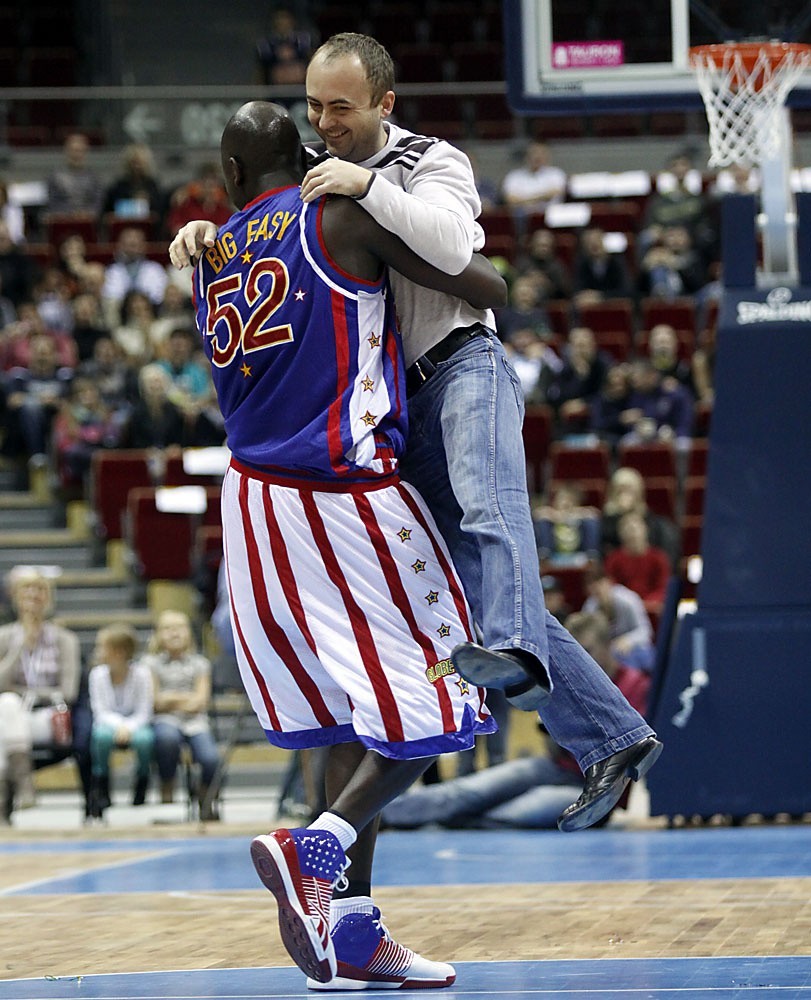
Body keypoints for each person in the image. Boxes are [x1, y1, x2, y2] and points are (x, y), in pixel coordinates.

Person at [169, 32, 660, 848]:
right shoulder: (317, 199)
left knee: (488, 511)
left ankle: (509, 661)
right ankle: (610, 735)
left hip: (462, 363)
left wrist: (365, 186)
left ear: (382, 106)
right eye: (315, 109)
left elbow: (472, 266)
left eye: (341, 109)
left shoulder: (432, 161)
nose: (326, 124)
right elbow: (276, 237)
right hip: (397, 408)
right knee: (467, 581)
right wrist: (208, 231)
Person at [193, 100, 506, 989]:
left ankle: (353, 933)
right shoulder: (336, 215)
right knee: (447, 693)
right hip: (342, 494)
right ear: (305, 158)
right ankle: (317, 848)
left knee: (343, 720)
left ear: (227, 179)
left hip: (251, 506)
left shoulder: (208, 252)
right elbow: (479, 283)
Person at [382, 610, 651, 830]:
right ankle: (374, 816)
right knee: (466, 791)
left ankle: (442, 820)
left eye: (589, 651)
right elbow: (554, 747)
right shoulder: (569, 683)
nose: (585, 661)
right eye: (579, 654)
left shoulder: (635, 685)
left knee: (511, 814)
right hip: (554, 766)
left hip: (588, 788)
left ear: (608, 645)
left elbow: (635, 755)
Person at [0, 566, 85, 822]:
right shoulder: (4, 636)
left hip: (50, 717)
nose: (33, 598)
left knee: (7, 706)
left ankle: (3, 807)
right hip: (13, 717)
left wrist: (28, 694)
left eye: (39, 591)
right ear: (15, 598)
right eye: (26, 592)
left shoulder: (65, 639)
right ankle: (24, 788)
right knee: (7, 706)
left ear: (48, 599)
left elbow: (68, 691)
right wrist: (19, 646)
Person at [138, 609, 221, 820]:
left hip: (196, 723)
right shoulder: (149, 664)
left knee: (211, 758)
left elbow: (200, 702)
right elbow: (154, 702)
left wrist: (170, 698)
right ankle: (168, 785)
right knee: (166, 739)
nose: (174, 633)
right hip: (164, 721)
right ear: (157, 634)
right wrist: (185, 698)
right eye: (167, 628)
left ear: (189, 632)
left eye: (180, 628)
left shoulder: (200, 663)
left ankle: (205, 796)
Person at [87, 623, 154, 818]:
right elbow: (100, 711)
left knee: (145, 740)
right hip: (109, 724)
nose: (98, 651)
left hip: (136, 724)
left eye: (102, 647)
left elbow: (144, 711)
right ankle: (102, 786)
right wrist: (119, 726)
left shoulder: (142, 674)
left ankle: (142, 783)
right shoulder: (97, 675)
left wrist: (129, 727)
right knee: (100, 737)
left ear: (119, 651)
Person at [604, 511, 671, 617]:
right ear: (620, 534)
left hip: (652, 607)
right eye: (627, 529)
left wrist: (646, 603)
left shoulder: (658, 558)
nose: (632, 533)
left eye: (635, 528)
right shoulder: (614, 559)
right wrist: (631, 604)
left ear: (645, 530)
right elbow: (613, 587)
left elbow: (663, 587)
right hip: (625, 609)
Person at [45, 132, 102, 216]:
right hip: (62, 221)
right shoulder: (55, 177)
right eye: (73, 150)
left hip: (88, 221)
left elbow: (98, 202)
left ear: (85, 152)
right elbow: (52, 202)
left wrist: (87, 213)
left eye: (80, 151)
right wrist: (70, 213)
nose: (76, 155)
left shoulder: (94, 178)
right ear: (66, 151)